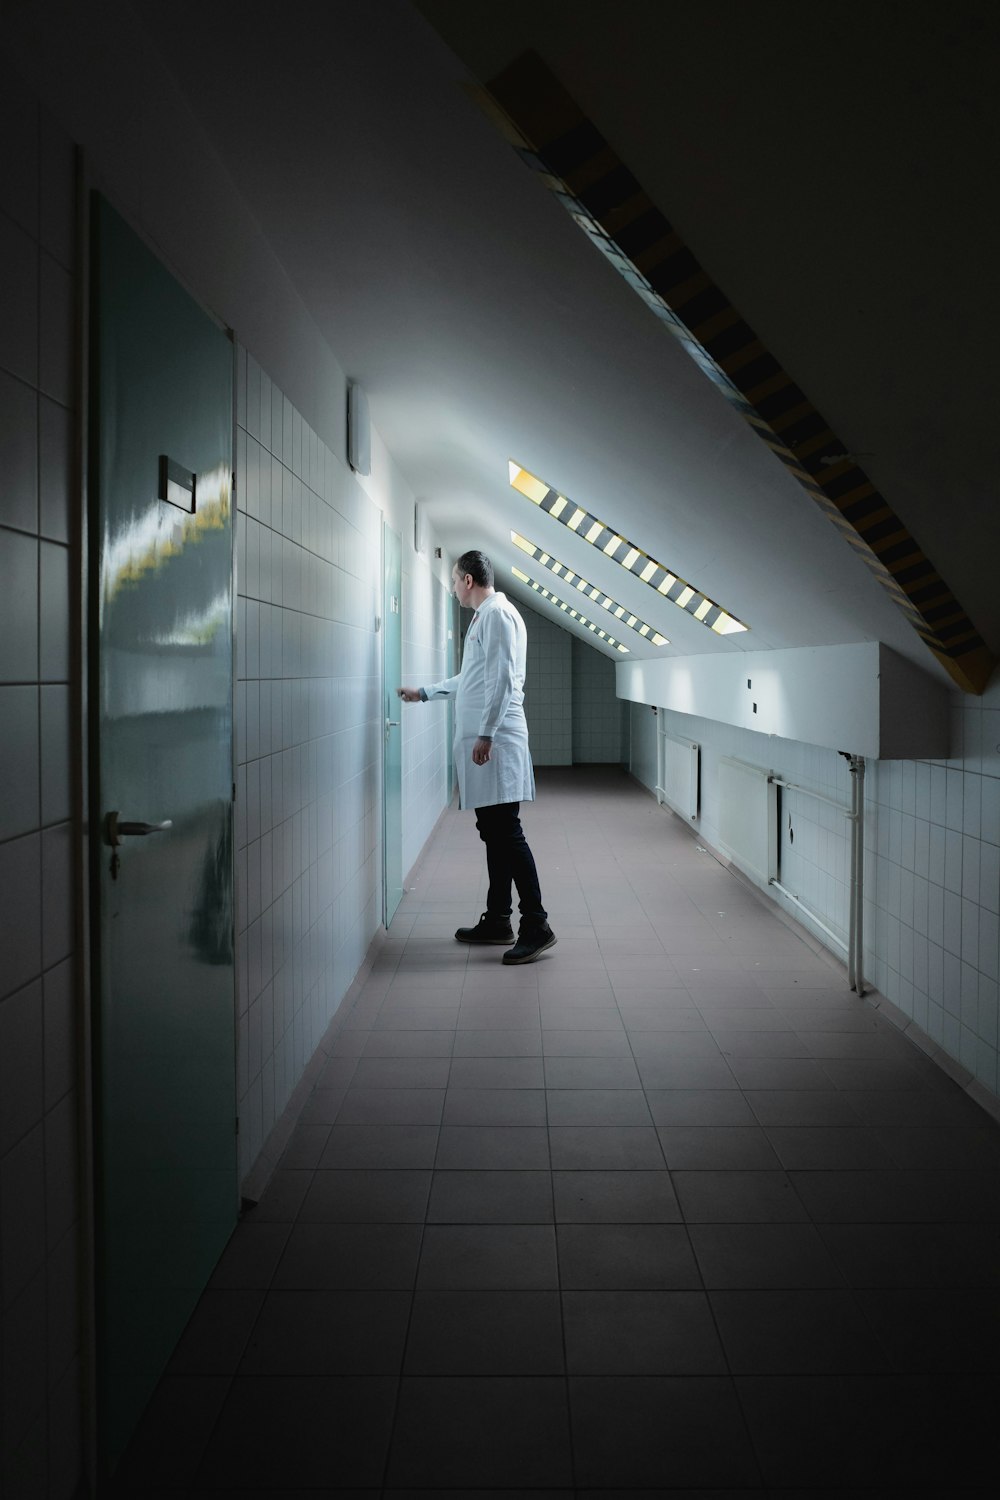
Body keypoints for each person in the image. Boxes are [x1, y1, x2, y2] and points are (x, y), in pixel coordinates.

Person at [398, 550, 556, 964]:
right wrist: (426, 692)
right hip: (488, 740)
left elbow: (502, 679)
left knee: (506, 832)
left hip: (498, 740)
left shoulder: (498, 615)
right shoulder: (485, 617)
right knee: (493, 830)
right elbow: (473, 679)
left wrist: (486, 733)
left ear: (468, 580)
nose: (452, 589)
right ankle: (499, 919)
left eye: (454, 581)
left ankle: (536, 924)